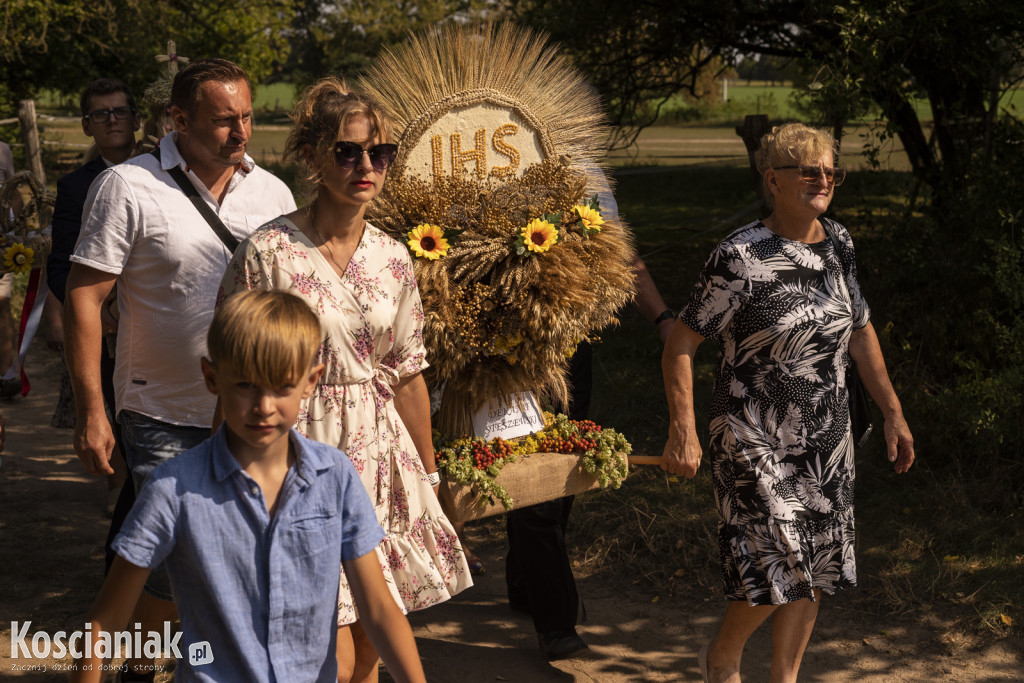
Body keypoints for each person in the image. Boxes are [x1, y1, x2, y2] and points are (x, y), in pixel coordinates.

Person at [218, 77, 470, 683]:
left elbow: (408, 374)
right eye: (348, 151)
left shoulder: (394, 257)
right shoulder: (268, 251)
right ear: (313, 155)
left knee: (371, 639)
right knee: (323, 646)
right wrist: (229, 467)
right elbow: (234, 369)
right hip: (295, 451)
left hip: (381, 459)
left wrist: (431, 476)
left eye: (379, 153)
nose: (366, 166)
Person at [63, 58, 296, 680]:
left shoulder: (273, 193)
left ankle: (159, 663)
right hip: (158, 407)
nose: (241, 132)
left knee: (222, 558)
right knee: (187, 553)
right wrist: (92, 409)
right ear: (178, 119)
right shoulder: (128, 188)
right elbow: (85, 296)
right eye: (223, 121)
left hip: (254, 414)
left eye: (246, 117)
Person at [660, 123, 915, 683]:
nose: (823, 180)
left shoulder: (840, 245)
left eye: (830, 171)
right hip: (752, 435)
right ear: (772, 179)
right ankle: (725, 654)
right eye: (809, 171)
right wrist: (683, 428)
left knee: (816, 564)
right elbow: (681, 343)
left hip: (827, 436)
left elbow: (861, 329)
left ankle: (784, 677)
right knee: (782, 556)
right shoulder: (738, 255)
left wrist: (892, 412)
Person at [72, 289, 427, 683]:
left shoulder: (336, 478)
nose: (263, 406)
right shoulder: (173, 490)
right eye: (245, 386)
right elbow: (107, 620)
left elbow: (378, 609)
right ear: (212, 377)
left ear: (312, 382)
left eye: (282, 386)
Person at [504, 172, 676, 661]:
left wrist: (662, 318)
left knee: (563, 460)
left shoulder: (586, 170)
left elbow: (618, 253)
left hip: (570, 341)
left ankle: (526, 581)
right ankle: (555, 620)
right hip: (502, 344)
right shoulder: (473, 144)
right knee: (534, 467)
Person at [47, 77, 141, 555]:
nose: (111, 120)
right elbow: (61, 262)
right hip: (108, 327)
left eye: (119, 111)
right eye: (101, 114)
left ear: (135, 118)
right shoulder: (75, 186)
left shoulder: (159, 172)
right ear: (87, 125)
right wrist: (101, 313)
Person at [0, 140, 24, 398]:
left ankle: (7, 373)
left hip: (1, 242)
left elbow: (13, 193)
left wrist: (16, 231)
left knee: (2, 303)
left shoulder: (2, 150)